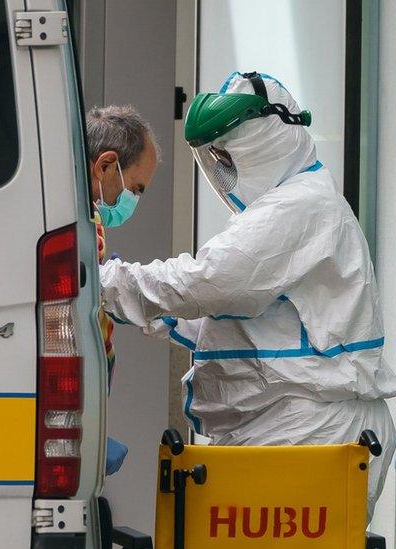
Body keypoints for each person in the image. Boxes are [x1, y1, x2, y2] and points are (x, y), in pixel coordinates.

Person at [99, 71, 396, 513]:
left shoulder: (300, 206)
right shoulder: (285, 207)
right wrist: (137, 303)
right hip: (288, 429)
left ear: (263, 142)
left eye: (227, 152)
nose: (223, 166)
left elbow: (209, 282)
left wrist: (105, 281)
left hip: (307, 431)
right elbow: (233, 313)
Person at [85, 105, 160, 475]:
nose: (134, 200)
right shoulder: (78, 222)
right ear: (106, 166)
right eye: (136, 188)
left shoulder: (84, 217)